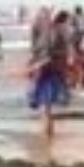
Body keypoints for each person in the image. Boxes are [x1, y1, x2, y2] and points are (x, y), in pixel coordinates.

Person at [27, 9, 70, 137]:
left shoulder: (51, 33)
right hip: (52, 71)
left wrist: (35, 66)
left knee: (46, 108)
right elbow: (61, 53)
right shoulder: (58, 32)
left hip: (47, 72)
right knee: (47, 107)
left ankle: (47, 135)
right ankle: (48, 133)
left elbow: (47, 55)